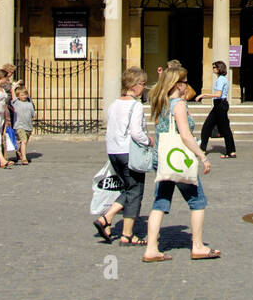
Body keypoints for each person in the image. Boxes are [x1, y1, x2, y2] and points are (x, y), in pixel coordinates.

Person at [142, 66, 220, 262]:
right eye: (185, 82)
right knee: (198, 201)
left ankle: (151, 249)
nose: (187, 86)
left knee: (159, 203)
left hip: (162, 160)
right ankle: (198, 246)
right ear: (178, 84)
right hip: (178, 161)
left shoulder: (162, 103)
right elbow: (185, 136)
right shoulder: (179, 105)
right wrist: (202, 156)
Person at [96, 67, 152, 245]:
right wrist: (149, 141)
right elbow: (136, 132)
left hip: (114, 152)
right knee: (135, 191)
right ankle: (124, 233)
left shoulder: (114, 104)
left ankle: (109, 221)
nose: (143, 88)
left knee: (127, 189)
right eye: (142, 84)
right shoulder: (135, 105)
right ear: (134, 85)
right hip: (129, 152)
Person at [200, 60, 236, 158]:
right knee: (221, 128)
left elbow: (218, 94)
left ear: (219, 68)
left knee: (208, 127)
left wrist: (204, 95)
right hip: (220, 105)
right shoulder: (223, 79)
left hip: (220, 104)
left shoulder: (220, 79)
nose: (213, 69)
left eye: (214, 67)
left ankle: (203, 150)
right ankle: (231, 151)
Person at [11, 85, 34, 164]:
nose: (24, 96)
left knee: (24, 142)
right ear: (18, 96)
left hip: (28, 125)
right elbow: (13, 93)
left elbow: (32, 113)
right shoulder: (16, 102)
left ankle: (19, 153)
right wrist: (14, 87)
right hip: (19, 125)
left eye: (25, 94)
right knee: (23, 141)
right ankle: (24, 158)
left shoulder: (29, 103)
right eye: (22, 95)